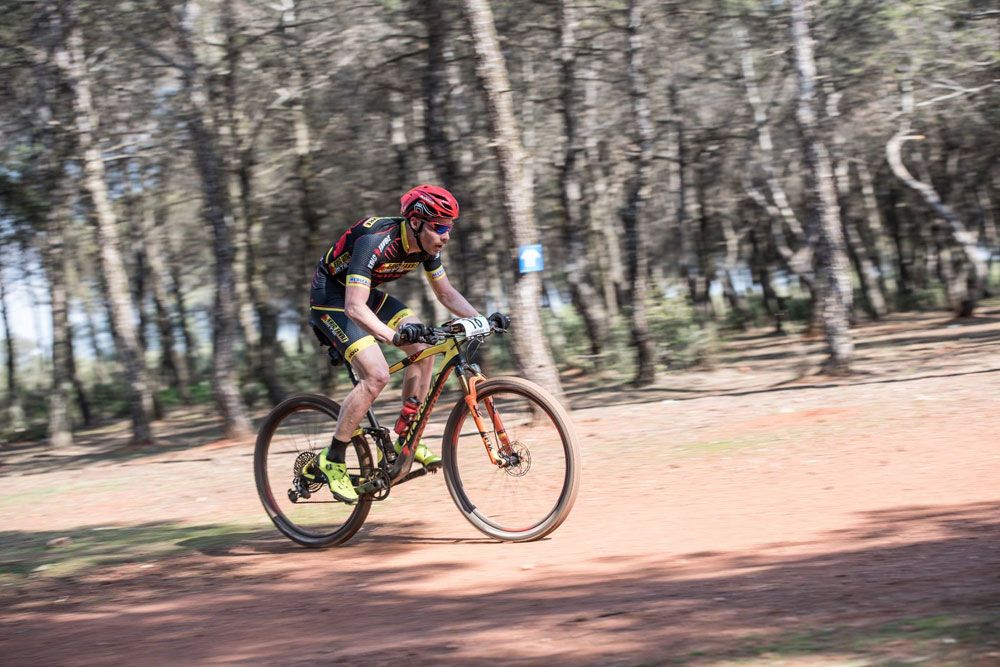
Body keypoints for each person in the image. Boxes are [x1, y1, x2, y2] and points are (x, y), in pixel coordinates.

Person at [304, 185, 482, 503]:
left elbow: (446, 293)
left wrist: (480, 320)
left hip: (366, 294)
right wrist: (392, 337)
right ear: (416, 222)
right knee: (377, 374)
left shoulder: (429, 247)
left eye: (450, 227)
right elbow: (354, 307)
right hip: (332, 297)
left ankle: (404, 438)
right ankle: (332, 459)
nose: (446, 235)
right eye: (440, 226)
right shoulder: (376, 241)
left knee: (424, 348)